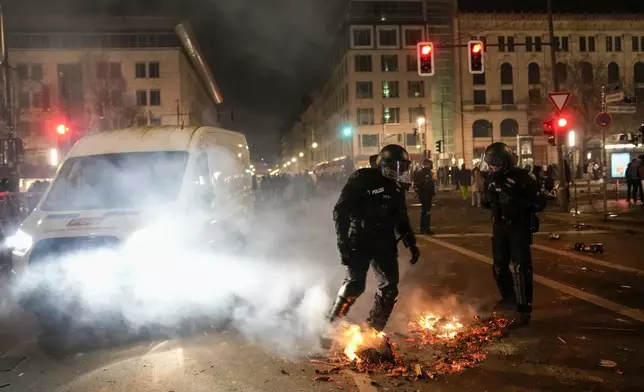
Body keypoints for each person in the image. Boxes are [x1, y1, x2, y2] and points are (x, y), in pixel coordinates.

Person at [327, 144, 420, 333]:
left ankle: (373, 331)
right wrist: (342, 240)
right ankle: (329, 327)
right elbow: (340, 210)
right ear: (382, 163)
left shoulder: (396, 188)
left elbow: (400, 218)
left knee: (390, 288)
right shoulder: (362, 178)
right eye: (394, 166)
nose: (397, 171)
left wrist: (410, 242)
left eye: (402, 167)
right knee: (355, 285)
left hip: (384, 241)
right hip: (359, 238)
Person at [482, 142, 546, 327]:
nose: (491, 165)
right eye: (489, 161)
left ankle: (524, 308)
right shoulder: (491, 178)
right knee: (499, 267)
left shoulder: (523, 177)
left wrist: (516, 200)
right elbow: (487, 201)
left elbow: (539, 202)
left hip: (519, 226)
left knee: (521, 268)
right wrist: (490, 199)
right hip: (499, 227)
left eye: (495, 161)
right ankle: (509, 299)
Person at [414, 159, 435, 234]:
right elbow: (429, 184)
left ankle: (424, 228)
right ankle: (425, 228)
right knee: (426, 211)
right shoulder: (427, 173)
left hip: (423, 194)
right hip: (426, 194)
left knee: (425, 211)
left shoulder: (420, 173)